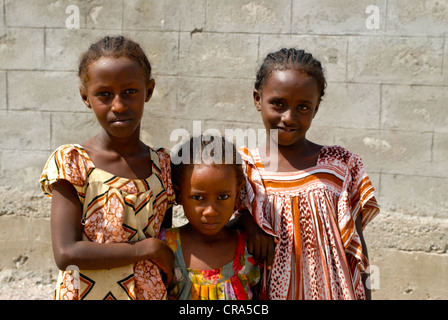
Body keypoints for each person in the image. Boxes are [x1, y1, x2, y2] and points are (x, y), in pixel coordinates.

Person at [39, 36, 175, 300]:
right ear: (85, 97)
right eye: (104, 94)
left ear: (149, 90)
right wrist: (144, 250)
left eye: (130, 92)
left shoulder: (163, 166)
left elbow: (164, 238)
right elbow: (66, 254)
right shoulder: (73, 162)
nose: (118, 105)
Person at [238, 48, 380, 300]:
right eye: (278, 104)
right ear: (257, 99)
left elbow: (356, 246)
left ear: (316, 108)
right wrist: (248, 221)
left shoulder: (340, 166)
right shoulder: (243, 168)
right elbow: (212, 229)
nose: (288, 117)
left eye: (302, 107)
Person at [163, 135, 261, 300]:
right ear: (179, 195)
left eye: (222, 197)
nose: (210, 211)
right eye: (198, 198)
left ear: (237, 195)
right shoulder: (165, 249)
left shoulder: (249, 249)